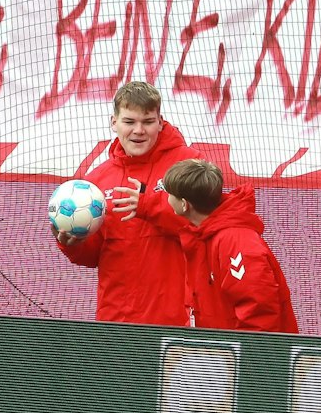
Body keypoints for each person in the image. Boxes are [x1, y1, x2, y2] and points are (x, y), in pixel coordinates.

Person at [54, 80, 200, 325]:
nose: (138, 130)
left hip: (175, 318)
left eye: (148, 122)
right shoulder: (96, 181)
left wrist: (149, 206)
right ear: (114, 123)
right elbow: (95, 255)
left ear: (160, 122)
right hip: (114, 318)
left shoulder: (188, 164)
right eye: (129, 122)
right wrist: (73, 244)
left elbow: (202, 223)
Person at [160, 159, 299, 333]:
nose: (166, 198)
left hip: (250, 354)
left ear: (184, 204)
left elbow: (259, 311)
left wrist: (246, 356)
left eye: (169, 193)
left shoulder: (235, 241)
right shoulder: (204, 233)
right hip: (224, 350)